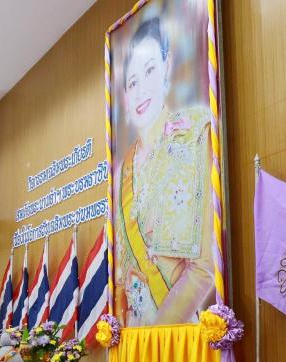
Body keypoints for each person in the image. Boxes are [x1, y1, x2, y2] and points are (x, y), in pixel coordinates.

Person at [112, 17, 215, 327]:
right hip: (134, 340)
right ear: (125, 97)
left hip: (175, 338)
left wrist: (157, 337)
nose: (141, 89)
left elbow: (203, 268)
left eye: (150, 71)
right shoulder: (124, 169)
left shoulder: (193, 135)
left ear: (167, 68)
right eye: (131, 82)